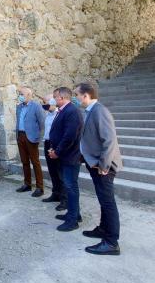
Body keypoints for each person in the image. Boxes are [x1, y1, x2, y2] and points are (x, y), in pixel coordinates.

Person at [75, 82, 123, 256]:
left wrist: (104, 164)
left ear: (86, 95)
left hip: (104, 166)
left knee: (108, 202)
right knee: (104, 200)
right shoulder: (90, 111)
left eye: (77, 94)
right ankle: (103, 229)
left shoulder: (99, 111)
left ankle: (111, 242)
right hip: (96, 164)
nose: (76, 98)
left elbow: (109, 140)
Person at [48, 87, 84, 232]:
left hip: (70, 156)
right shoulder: (65, 110)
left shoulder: (72, 111)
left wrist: (57, 152)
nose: (53, 99)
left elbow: (69, 136)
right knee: (69, 187)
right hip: (65, 156)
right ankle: (74, 214)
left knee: (71, 187)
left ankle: (73, 220)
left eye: (55, 97)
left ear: (61, 98)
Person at [14, 86, 46, 197]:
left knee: (35, 162)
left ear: (28, 95)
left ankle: (39, 187)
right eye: (19, 94)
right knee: (24, 161)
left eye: (21, 94)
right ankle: (27, 184)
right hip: (21, 136)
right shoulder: (19, 107)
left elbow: (43, 123)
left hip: (32, 138)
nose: (19, 96)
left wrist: (39, 138)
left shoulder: (36, 106)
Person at [40, 94, 65, 209]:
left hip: (55, 144)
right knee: (52, 170)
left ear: (52, 102)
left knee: (59, 172)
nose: (44, 104)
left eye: (45, 102)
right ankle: (56, 194)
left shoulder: (59, 114)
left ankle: (64, 199)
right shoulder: (47, 114)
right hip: (47, 143)